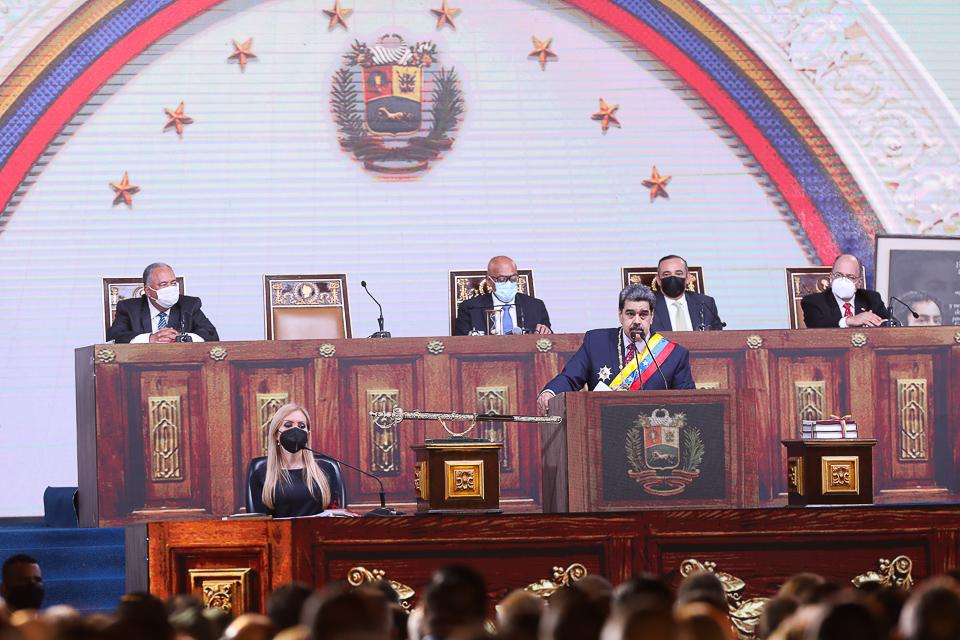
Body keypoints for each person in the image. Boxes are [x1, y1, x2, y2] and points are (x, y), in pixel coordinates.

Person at [537, 284, 696, 414]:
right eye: (630, 314)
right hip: (604, 429)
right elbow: (570, 377)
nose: (636, 321)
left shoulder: (674, 354)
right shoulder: (597, 342)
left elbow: (689, 404)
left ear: (652, 316)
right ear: (620, 315)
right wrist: (550, 392)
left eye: (643, 315)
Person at [247, 403, 343, 518]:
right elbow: (262, 525)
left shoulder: (326, 469)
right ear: (276, 434)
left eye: (302, 426)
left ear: (307, 435)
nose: (296, 431)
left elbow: (336, 517)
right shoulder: (261, 475)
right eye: (288, 425)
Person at [107, 262, 219, 343]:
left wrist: (181, 338)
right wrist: (150, 338)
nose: (170, 288)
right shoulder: (129, 308)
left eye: (173, 283)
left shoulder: (189, 305)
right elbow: (114, 337)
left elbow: (211, 334)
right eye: (163, 284)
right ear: (148, 291)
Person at [453, 256, 552, 336]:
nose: (508, 283)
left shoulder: (536, 306)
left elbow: (550, 343)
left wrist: (545, 334)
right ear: (488, 281)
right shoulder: (470, 308)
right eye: (502, 279)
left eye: (513, 278)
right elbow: (460, 345)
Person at [800, 254, 890, 328]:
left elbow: (891, 323)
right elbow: (815, 326)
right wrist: (849, 321)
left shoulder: (872, 298)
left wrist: (877, 323)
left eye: (851, 277)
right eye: (838, 275)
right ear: (831, 277)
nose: (843, 281)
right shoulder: (813, 302)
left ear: (859, 282)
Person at [651, 255, 723, 332]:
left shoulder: (706, 303)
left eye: (678, 274)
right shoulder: (647, 304)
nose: (673, 278)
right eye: (667, 274)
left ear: (688, 278)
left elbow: (717, 335)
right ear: (658, 280)